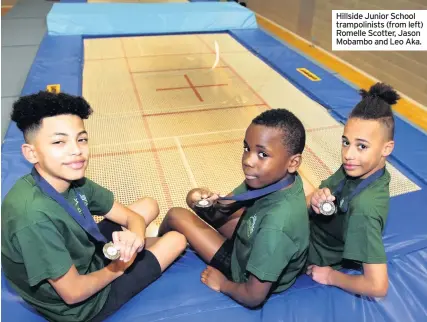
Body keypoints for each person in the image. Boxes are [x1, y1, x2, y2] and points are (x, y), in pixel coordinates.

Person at [1, 91, 187, 322]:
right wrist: (120, 266)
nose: (76, 150)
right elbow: (73, 294)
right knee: (177, 240)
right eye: (59, 142)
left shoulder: (72, 180)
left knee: (148, 205)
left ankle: (138, 247)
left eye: (81, 139)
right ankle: (137, 253)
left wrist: (136, 237)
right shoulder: (32, 216)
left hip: (86, 255)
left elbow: (132, 217)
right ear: (31, 153)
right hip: (80, 305)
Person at [159, 108, 309, 308]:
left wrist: (223, 284)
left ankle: (156, 254)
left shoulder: (277, 225)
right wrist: (202, 196)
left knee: (175, 216)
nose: (248, 160)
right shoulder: (275, 179)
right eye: (247, 148)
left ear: (293, 162)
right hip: (253, 235)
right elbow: (223, 206)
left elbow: (253, 297)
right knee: (193, 198)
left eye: (262, 154)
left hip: (243, 268)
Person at [306, 82, 398, 297]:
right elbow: (320, 193)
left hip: (309, 251)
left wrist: (330, 277)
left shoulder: (365, 208)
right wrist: (315, 198)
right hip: (311, 231)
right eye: (346, 142)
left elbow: (378, 286)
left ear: (387, 148)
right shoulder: (360, 167)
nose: (348, 154)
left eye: (361, 146)